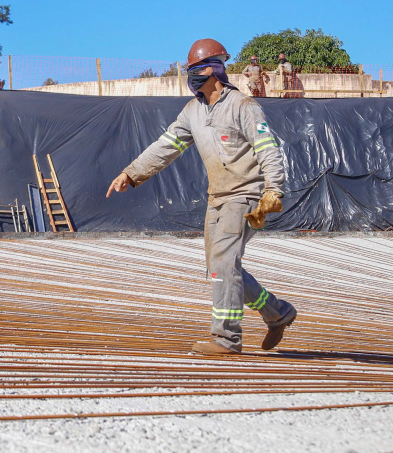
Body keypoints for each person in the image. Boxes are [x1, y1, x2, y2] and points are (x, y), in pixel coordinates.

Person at [106, 38, 297, 355]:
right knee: (219, 266)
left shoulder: (244, 107)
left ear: (214, 71)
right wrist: (132, 172)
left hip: (246, 194)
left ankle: (226, 338)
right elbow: (166, 147)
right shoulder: (192, 112)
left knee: (224, 262)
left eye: (196, 69)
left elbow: (268, 149)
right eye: (189, 70)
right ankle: (277, 312)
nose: (191, 75)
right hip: (217, 197)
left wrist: (274, 189)